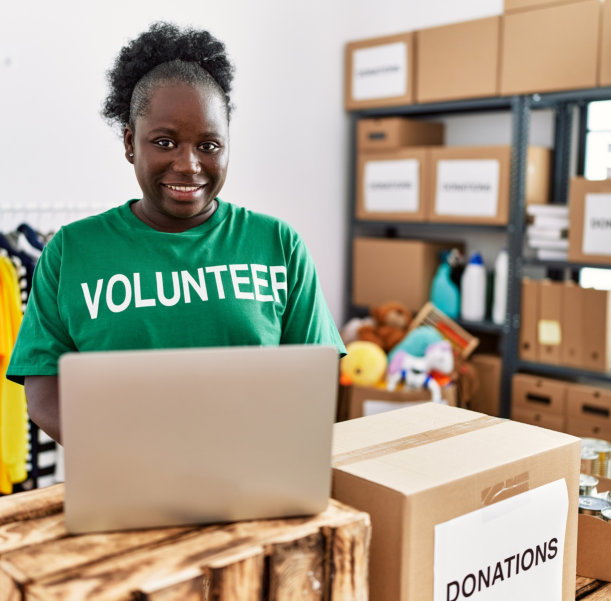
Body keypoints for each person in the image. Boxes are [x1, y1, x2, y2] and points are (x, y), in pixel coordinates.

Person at [6, 22, 346, 444]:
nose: (188, 164)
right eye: (165, 142)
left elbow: (314, 376)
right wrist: (136, 457)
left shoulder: (277, 244)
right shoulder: (71, 252)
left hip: (254, 478)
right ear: (131, 143)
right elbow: (43, 394)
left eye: (209, 145)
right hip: (121, 486)